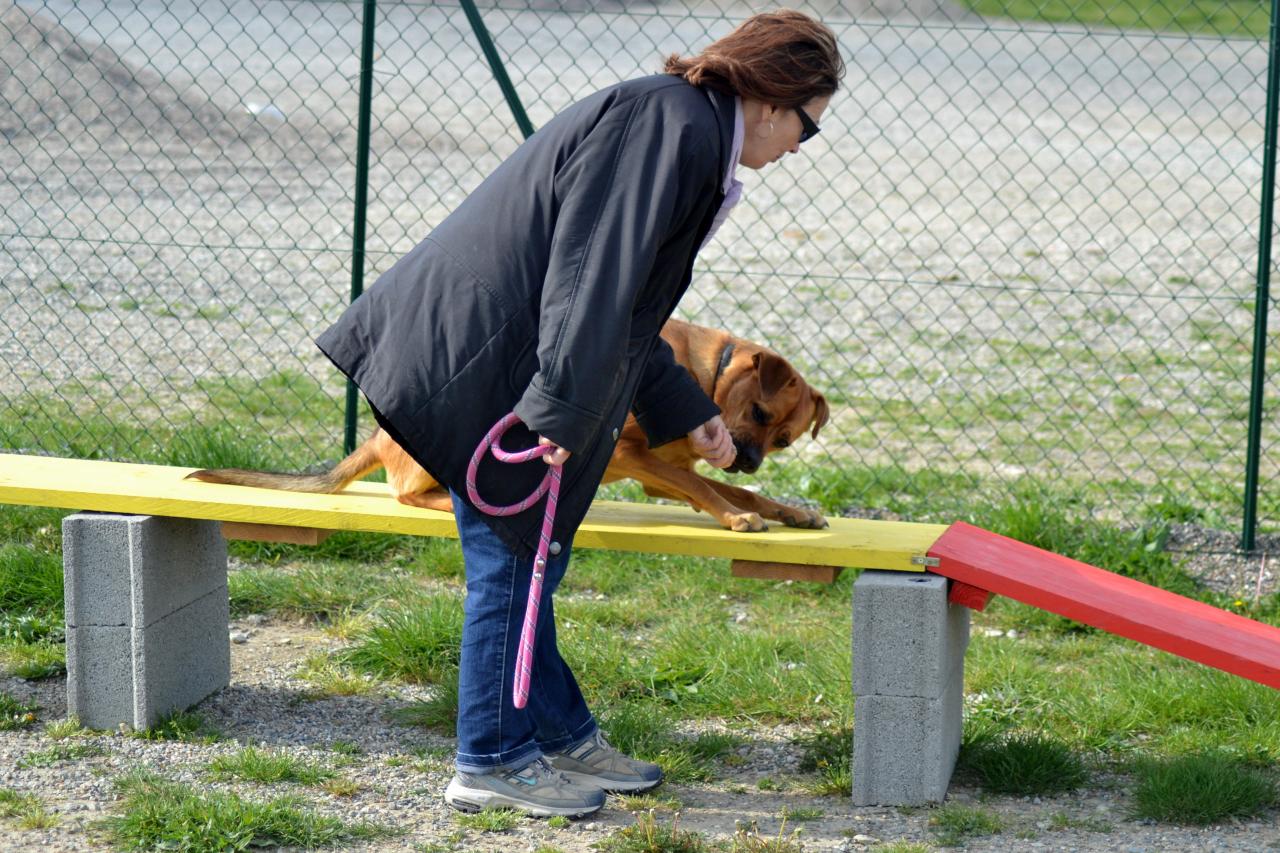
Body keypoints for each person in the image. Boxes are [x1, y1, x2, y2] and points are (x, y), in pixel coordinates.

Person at [315, 8, 844, 818]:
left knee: (530, 561)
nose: (802, 147)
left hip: (505, 356)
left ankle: (557, 733)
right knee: (514, 563)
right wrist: (558, 413)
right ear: (775, 99)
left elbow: (627, 304)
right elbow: (590, 280)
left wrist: (684, 407)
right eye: (809, 126)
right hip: (488, 361)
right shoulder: (674, 130)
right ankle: (490, 757)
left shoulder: (686, 129)